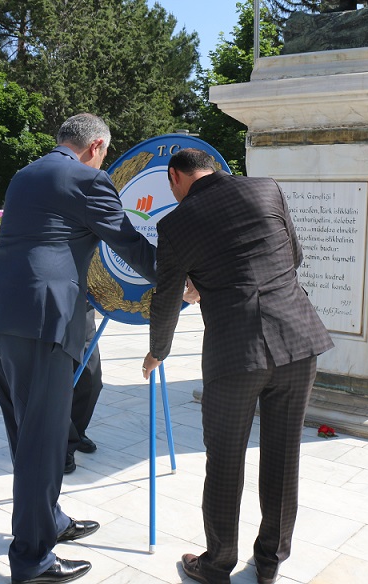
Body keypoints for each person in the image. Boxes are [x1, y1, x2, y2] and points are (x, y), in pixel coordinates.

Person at [0, 113, 157, 584]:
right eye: (106, 153)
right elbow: (129, 243)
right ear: (96, 146)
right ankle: (34, 560)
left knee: (25, 436)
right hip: (42, 322)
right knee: (43, 443)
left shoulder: (26, 174)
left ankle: (48, 520)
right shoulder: (88, 179)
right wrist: (179, 282)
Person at [142, 149, 334, 584]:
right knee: (284, 459)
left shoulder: (174, 225)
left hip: (235, 353)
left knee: (225, 463)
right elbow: (294, 255)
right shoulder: (265, 188)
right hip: (299, 340)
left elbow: (167, 296)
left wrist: (160, 350)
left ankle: (216, 566)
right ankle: (269, 563)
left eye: (170, 185)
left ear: (176, 176)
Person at [65, 302, 102, 474]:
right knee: (55, 388)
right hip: (50, 310)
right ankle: (61, 445)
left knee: (92, 381)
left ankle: (75, 433)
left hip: (84, 312)